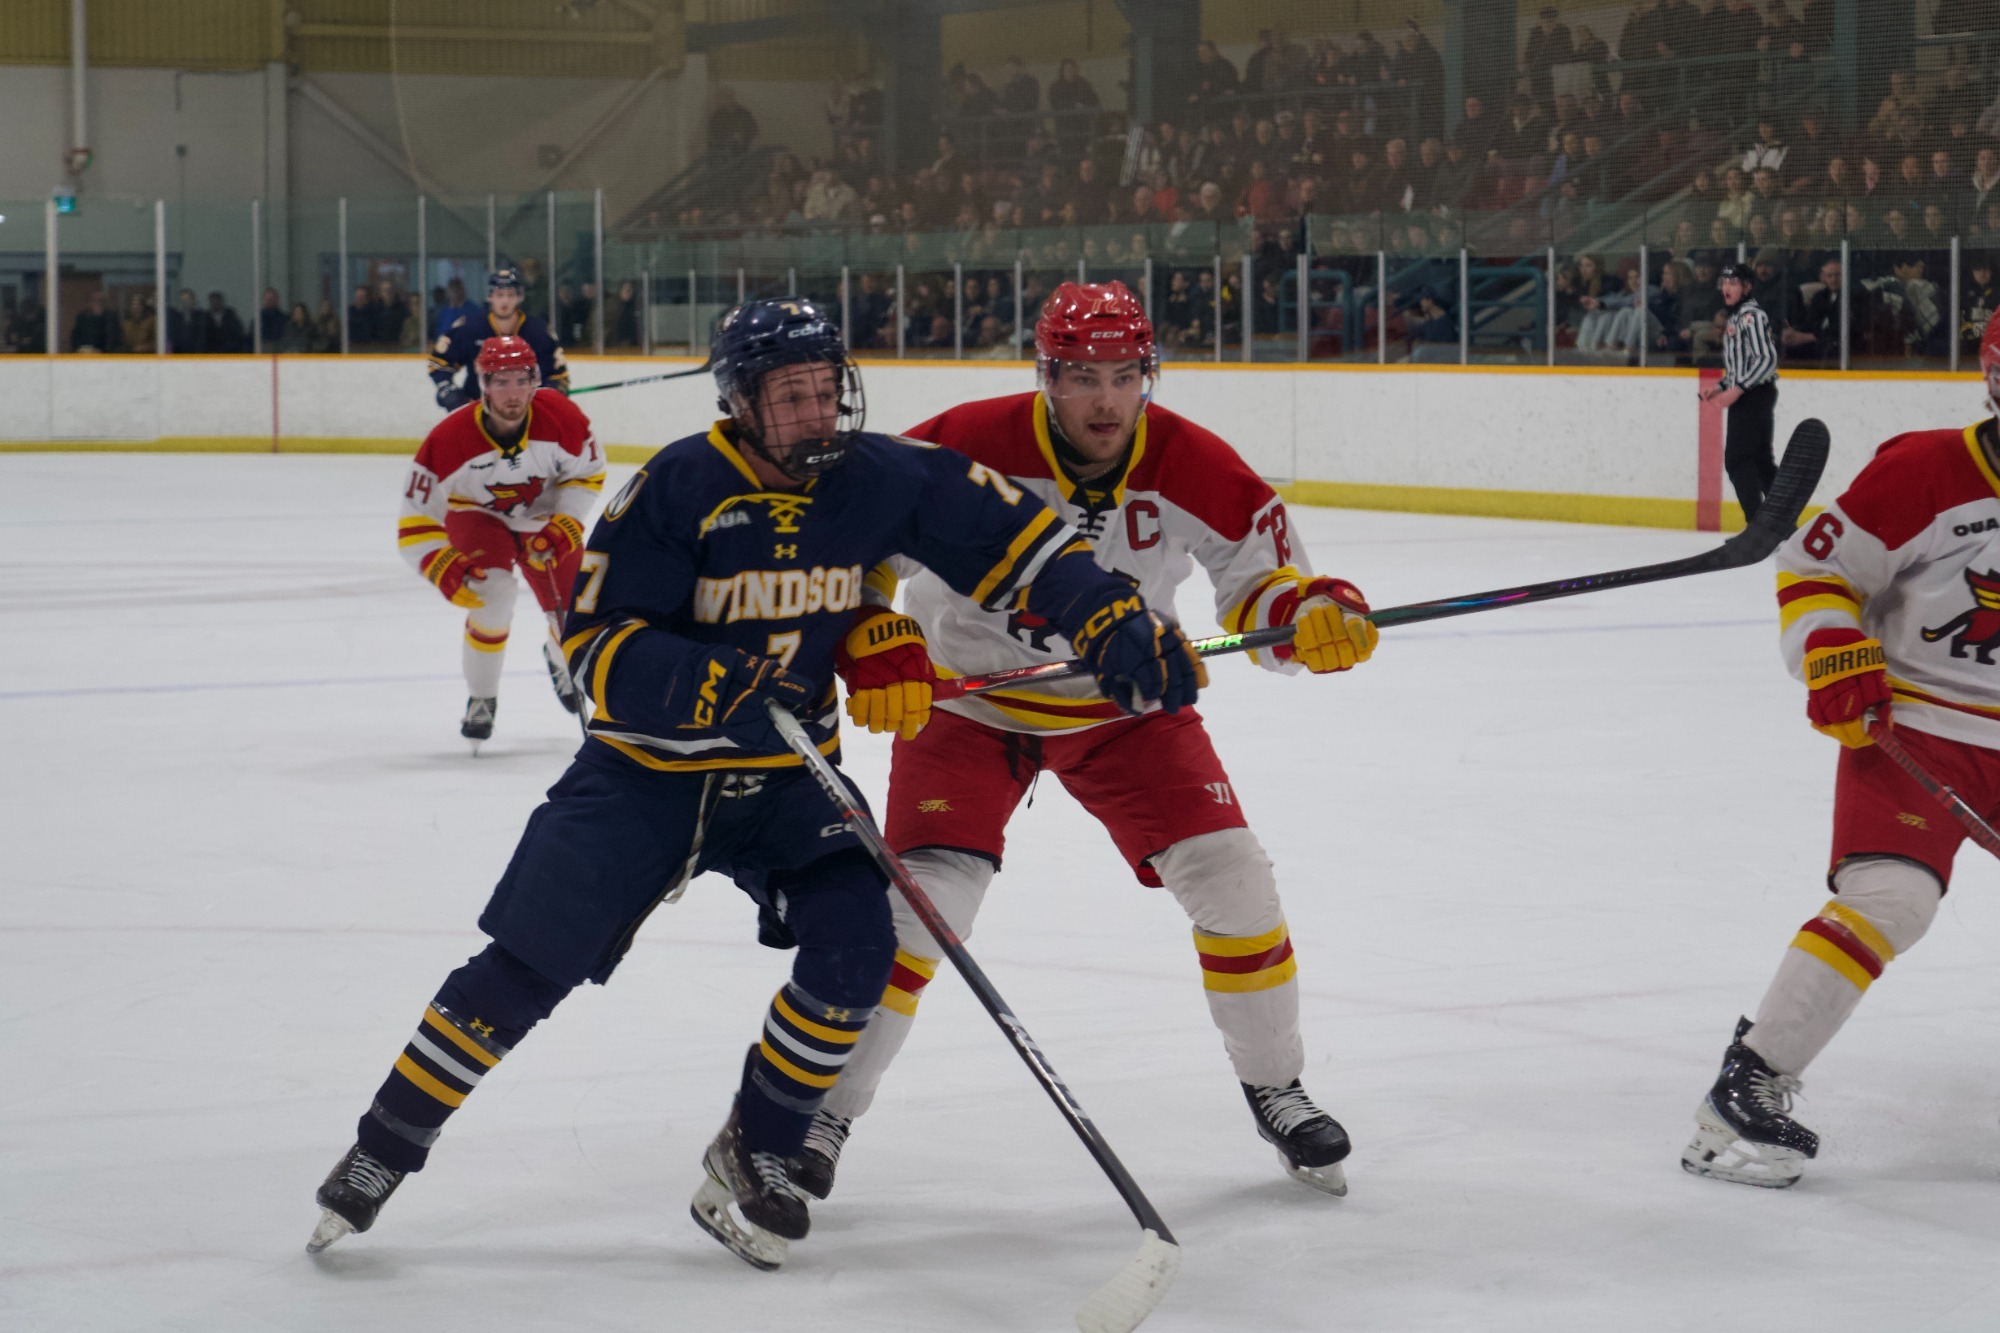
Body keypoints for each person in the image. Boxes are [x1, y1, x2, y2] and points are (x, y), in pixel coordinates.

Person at [308, 297, 1201, 1271]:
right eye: (790, 396)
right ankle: (385, 1144)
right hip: (647, 774)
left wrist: (1110, 616)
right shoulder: (677, 485)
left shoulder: (879, 477)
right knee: (526, 962)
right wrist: (699, 679)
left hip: (785, 776)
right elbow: (597, 646)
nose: (816, 413)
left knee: (860, 945)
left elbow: (1022, 543)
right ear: (740, 402)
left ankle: (759, 1145)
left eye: (826, 390)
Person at [787, 282, 1378, 1203]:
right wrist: (869, 625)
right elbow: (852, 544)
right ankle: (822, 1112)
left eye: (1124, 377)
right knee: (919, 912)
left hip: (1125, 702)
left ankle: (1277, 1086)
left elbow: (1260, 586)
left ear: (1149, 375)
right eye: (1082, 378)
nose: (1106, 400)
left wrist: (1309, 617)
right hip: (967, 708)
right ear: (1046, 377)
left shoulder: (1191, 460)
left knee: (1234, 879)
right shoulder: (964, 440)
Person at [1683, 309, 2000, 1189]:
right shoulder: (1924, 470)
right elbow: (1817, 568)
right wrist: (1832, 647)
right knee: (1892, 900)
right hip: (1917, 730)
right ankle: (1748, 1082)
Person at [396, 336, 604, 745]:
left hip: (541, 518)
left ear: (535, 380)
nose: (513, 393)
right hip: (476, 515)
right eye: (501, 381)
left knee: (577, 610)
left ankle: (557, 657)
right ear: (484, 386)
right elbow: (414, 519)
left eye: (522, 381)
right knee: (492, 595)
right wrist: (438, 562)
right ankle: (482, 696)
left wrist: (567, 521)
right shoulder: (449, 437)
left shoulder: (562, 416)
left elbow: (587, 474)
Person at [1699, 263, 1780, 521]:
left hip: (1753, 396)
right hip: (1753, 393)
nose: (1727, 288)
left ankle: (1758, 523)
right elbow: (1742, 366)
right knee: (1760, 461)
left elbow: (1767, 360)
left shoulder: (1750, 316)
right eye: (1724, 282)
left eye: (1733, 283)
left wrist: (1738, 389)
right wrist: (1721, 386)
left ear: (1747, 287)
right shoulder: (1737, 317)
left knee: (1737, 460)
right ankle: (1780, 522)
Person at [428, 267, 568, 410]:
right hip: (478, 409)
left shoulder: (538, 331)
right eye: (500, 295)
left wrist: (549, 393)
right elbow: (439, 363)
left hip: (526, 411)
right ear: (490, 297)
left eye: (510, 295)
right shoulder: (470, 327)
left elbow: (559, 376)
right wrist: (449, 391)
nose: (505, 301)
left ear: (519, 297)